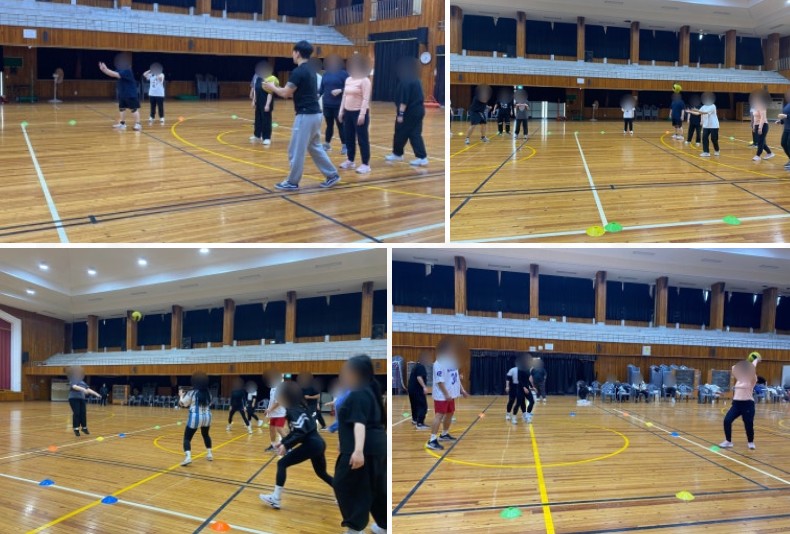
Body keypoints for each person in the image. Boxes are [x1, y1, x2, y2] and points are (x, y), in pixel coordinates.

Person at [264, 41, 341, 191]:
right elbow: (301, 92)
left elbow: (285, 93)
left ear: (297, 53)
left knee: (295, 150)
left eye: (293, 52)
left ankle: (292, 182)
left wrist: (272, 87)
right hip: (316, 114)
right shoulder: (311, 71)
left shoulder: (298, 72)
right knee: (315, 147)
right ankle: (332, 175)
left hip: (306, 115)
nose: (292, 55)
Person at [332, 355, 387, 534]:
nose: (342, 376)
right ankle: (385, 525)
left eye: (345, 372)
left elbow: (359, 423)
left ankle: (355, 529)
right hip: (377, 449)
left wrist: (357, 451)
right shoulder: (370, 390)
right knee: (376, 490)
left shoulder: (358, 394)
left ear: (355, 374)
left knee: (345, 486)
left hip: (363, 451)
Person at [259, 381, 333, 510]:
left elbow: (300, 432)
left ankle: (276, 499)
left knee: (282, 463)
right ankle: (343, 491)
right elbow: (297, 431)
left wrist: (286, 445)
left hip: (312, 445)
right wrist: (283, 442)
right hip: (319, 443)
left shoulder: (292, 410)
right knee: (321, 473)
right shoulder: (299, 407)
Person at [385, 57, 429, 166]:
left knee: (404, 133)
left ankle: (418, 157)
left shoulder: (406, 81)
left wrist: (400, 114)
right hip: (419, 111)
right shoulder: (416, 80)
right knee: (412, 133)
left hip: (410, 112)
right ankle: (400, 154)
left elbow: (404, 101)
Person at [426, 338, 469, 451]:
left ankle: (444, 434)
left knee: (450, 413)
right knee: (439, 415)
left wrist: (462, 390)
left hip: (451, 394)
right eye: (451, 349)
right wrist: (446, 394)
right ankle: (432, 440)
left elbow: (456, 378)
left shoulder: (453, 362)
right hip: (442, 396)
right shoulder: (438, 364)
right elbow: (439, 381)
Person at [338, 55, 373, 174]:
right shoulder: (348, 80)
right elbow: (344, 96)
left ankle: (365, 164)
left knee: (362, 139)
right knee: (349, 137)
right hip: (348, 112)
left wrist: (362, 114)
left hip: (359, 112)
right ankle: (350, 160)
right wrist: (341, 111)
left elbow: (366, 98)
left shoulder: (365, 80)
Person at [720, 354, 760, 450]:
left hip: (747, 404)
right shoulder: (739, 379)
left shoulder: (752, 379)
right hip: (736, 404)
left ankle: (750, 442)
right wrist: (745, 363)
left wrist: (755, 361)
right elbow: (734, 367)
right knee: (727, 420)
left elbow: (752, 370)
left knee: (748, 424)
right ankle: (728, 441)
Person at [99, 54, 142, 131]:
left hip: (130, 94)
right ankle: (122, 124)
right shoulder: (119, 70)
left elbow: (115, 74)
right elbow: (112, 74)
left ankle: (138, 124)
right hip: (123, 94)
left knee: (133, 109)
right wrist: (104, 70)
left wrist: (105, 69)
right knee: (122, 109)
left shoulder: (127, 71)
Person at [179, 372, 213, 466]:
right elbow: (210, 403)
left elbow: (183, 404)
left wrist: (181, 395)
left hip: (196, 417)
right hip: (207, 416)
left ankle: (188, 457)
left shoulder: (192, 393)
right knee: (206, 435)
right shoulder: (208, 393)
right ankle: (209, 454)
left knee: (187, 438)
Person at [319, 55, 349, 154]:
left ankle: (345, 146)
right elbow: (322, 89)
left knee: (341, 125)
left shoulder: (344, 74)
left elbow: (350, 88)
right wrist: (317, 95)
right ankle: (327, 144)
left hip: (339, 105)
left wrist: (340, 90)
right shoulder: (326, 74)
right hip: (327, 104)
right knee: (329, 125)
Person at [68, 367, 101, 436]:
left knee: (83, 413)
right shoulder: (73, 380)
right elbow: (74, 387)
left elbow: (88, 389)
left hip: (82, 399)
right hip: (74, 399)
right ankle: (76, 428)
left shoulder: (83, 382)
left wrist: (96, 394)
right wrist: (83, 389)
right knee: (77, 413)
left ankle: (84, 427)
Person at [264, 370, 289, 452]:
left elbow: (279, 402)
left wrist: (269, 409)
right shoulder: (273, 386)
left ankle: (289, 446)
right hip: (273, 413)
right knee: (271, 429)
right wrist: (268, 411)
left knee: (279, 429)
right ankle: (273, 445)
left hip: (280, 413)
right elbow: (272, 400)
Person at [252, 61, 275, 146]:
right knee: (258, 119)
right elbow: (255, 90)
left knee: (266, 120)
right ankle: (257, 135)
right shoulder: (257, 78)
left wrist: (267, 105)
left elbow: (270, 93)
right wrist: (254, 100)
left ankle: (267, 138)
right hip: (258, 102)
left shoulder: (270, 79)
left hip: (266, 102)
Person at [691, 93, 720, 157]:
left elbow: (705, 112)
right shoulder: (703, 106)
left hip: (714, 126)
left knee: (714, 139)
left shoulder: (713, 106)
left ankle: (717, 150)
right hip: (706, 126)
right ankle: (706, 152)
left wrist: (697, 110)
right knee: (704, 138)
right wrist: (691, 112)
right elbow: (698, 113)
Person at [408, 352, 430, 430]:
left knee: (414, 405)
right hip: (417, 390)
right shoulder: (421, 367)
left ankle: (415, 419)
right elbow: (419, 377)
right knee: (423, 406)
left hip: (411, 389)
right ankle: (420, 423)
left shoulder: (415, 366)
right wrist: (424, 387)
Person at [752, 92, 775, 162]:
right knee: (761, 141)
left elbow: (763, 118)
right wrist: (754, 126)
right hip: (757, 125)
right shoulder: (755, 107)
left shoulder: (762, 106)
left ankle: (758, 155)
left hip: (763, 125)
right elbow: (755, 117)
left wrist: (760, 127)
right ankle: (769, 153)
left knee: (760, 141)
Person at [778, 90, 790, 170]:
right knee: (783, 143)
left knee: (789, 145)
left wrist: (785, 116)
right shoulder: (788, 104)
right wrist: (781, 121)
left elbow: (786, 115)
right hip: (786, 128)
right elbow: (786, 116)